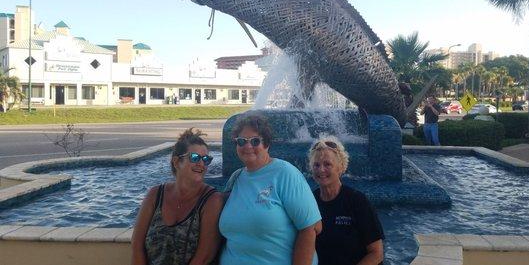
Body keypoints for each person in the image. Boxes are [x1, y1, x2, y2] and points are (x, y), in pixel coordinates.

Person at [219, 113, 322, 265]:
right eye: (241, 141)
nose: (248, 146)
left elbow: (310, 228)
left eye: (255, 141)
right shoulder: (236, 178)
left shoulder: (285, 173)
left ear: (266, 144)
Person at [131, 128, 223, 265]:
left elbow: (204, 257)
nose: (201, 164)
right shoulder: (155, 195)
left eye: (206, 159)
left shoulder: (211, 200)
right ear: (176, 162)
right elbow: (137, 245)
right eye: (195, 158)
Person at [309, 137, 385, 265]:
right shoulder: (309, 202)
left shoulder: (357, 201)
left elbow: (377, 253)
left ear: (340, 167)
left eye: (327, 164)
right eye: (316, 165)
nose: (321, 169)